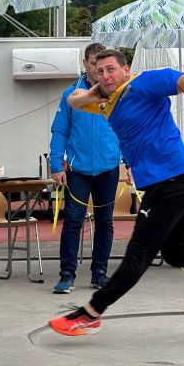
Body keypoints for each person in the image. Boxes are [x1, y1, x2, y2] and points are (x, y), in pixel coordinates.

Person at [48, 49, 184, 337]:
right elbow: (72, 100)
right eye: (100, 71)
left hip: (172, 181)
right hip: (170, 183)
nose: (105, 75)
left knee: (137, 254)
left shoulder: (143, 83)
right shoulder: (106, 102)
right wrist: (94, 92)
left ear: (126, 70)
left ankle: (90, 314)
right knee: (178, 252)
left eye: (111, 69)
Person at [50, 43, 121, 293]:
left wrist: (131, 161)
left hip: (108, 168)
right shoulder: (72, 94)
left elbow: (127, 128)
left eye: (104, 67)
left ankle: (99, 273)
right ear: (85, 63)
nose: (99, 71)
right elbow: (60, 130)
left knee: (105, 222)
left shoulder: (116, 93)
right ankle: (67, 275)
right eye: (94, 65)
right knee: (72, 221)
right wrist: (56, 163)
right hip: (78, 169)